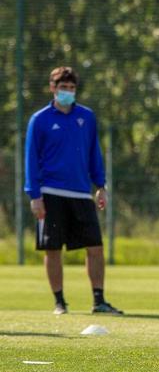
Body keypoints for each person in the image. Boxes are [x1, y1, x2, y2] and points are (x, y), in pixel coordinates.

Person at [24, 66, 123, 315]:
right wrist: (34, 195)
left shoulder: (86, 117)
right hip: (50, 192)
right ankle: (60, 302)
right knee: (53, 249)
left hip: (81, 192)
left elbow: (94, 154)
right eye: (62, 88)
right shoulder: (40, 119)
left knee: (95, 247)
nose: (67, 92)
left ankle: (99, 300)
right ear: (53, 89)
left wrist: (101, 186)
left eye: (71, 88)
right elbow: (31, 160)